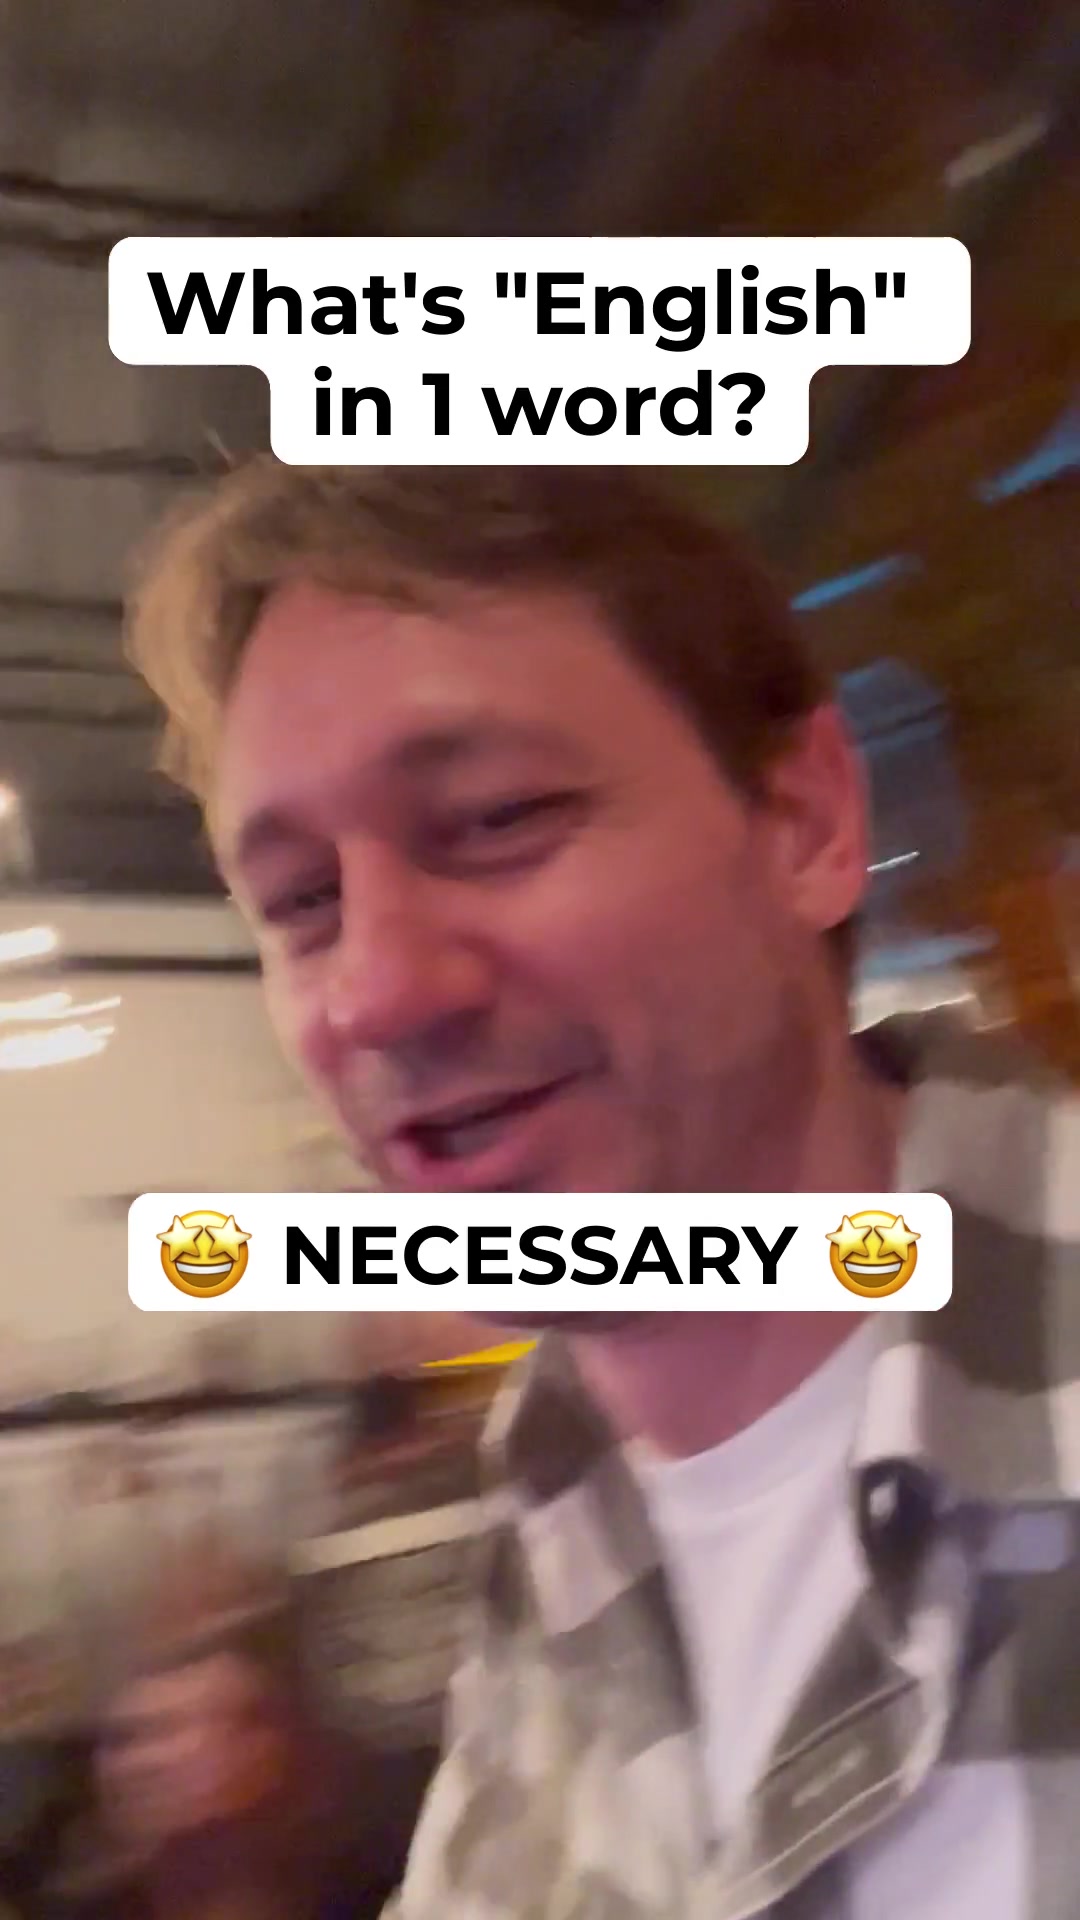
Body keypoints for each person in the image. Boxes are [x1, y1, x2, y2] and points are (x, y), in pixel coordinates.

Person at [127, 465, 1080, 1920]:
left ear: (807, 821)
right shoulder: (552, 1523)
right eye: (304, 903)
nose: (373, 993)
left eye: (497, 816)